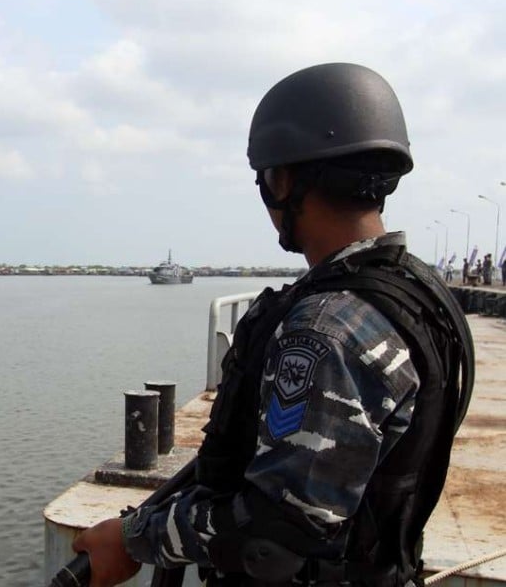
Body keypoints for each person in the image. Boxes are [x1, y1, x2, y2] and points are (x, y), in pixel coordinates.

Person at [72, 63, 474, 587]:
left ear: (283, 181)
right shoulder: (421, 294)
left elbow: (276, 533)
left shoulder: (326, 330)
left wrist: (132, 540)